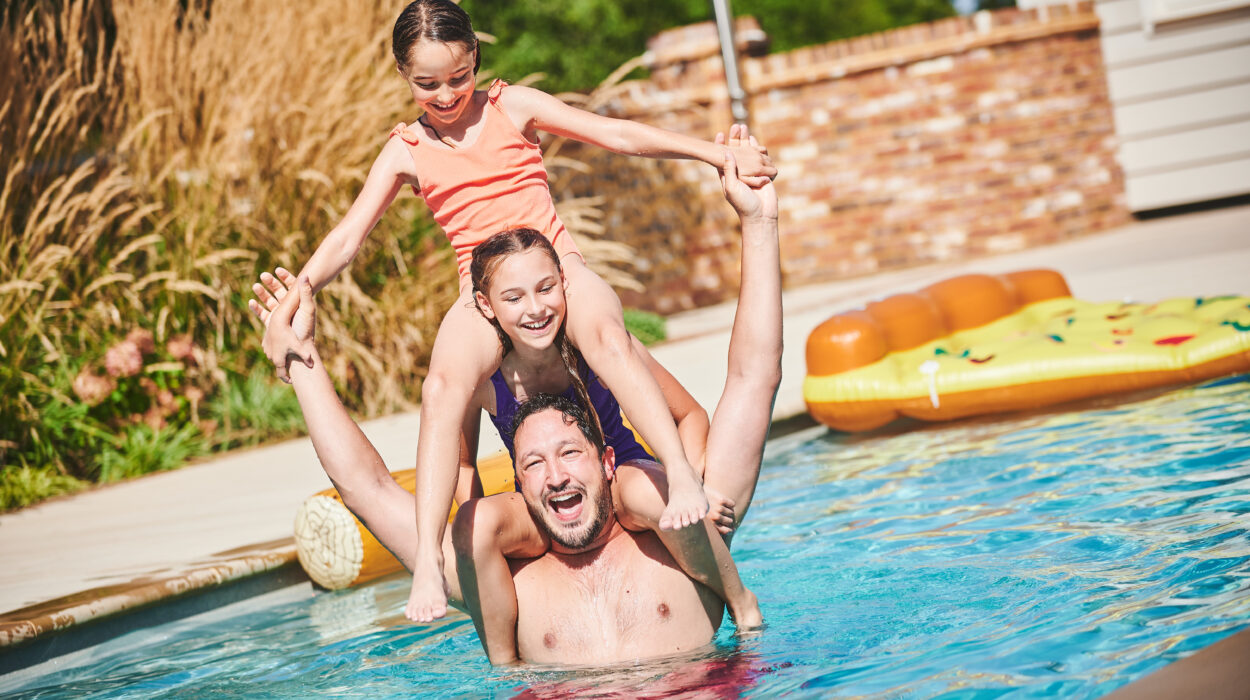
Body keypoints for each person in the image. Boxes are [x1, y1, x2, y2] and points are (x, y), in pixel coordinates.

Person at [255, 0, 777, 624]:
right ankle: (425, 557)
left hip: (555, 266)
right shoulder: (407, 149)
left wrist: (713, 154)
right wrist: (302, 288)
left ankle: (681, 479)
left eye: (457, 77)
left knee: (609, 337)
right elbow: (348, 236)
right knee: (442, 386)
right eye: (427, 85)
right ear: (402, 75)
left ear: (474, 58)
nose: (446, 96)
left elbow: (614, 135)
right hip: (483, 296)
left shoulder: (513, 105)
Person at [449, 223, 759, 663]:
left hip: (623, 477)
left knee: (639, 492)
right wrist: (478, 555)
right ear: (487, 305)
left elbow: (690, 415)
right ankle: (505, 668)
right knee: (474, 526)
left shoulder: (600, 347)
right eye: (514, 298)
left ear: (565, 283)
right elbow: (462, 467)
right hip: (546, 493)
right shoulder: (484, 378)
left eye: (546, 289)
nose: (535, 309)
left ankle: (741, 601)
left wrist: (693, 488)